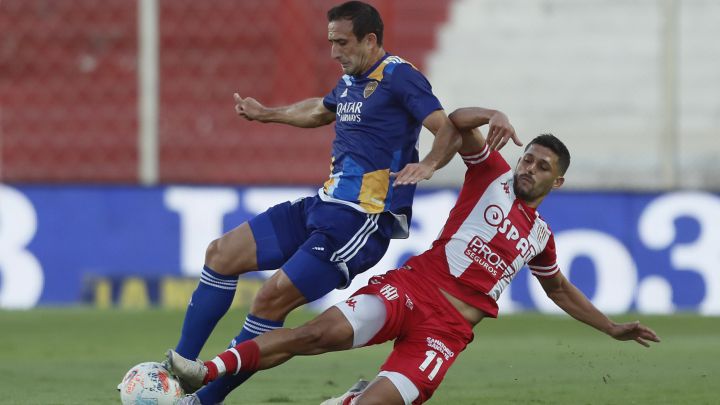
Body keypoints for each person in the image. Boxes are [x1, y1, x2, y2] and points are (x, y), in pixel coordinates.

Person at [166, 107, 660, 404]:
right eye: (527, 158)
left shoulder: (540, 237)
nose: (529, 168)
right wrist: (492, 115)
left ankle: (354, 397)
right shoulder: (491, 175)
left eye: (542, 166)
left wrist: (610, 327)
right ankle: (204, 373)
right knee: (313, 336)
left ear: (558, 181)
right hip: (412, 289)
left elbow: (560, 289)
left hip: (447, 332)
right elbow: (455, 122)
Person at [169, 2, 484, 403]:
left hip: (361, 220)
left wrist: (429, 164)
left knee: (270, 299)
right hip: (322, 204)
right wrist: (268, 114)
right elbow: (322, 109)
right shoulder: (351, 78)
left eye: (342, 43)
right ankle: (177, 370)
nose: (334, 52)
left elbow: (448, 128)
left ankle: (203, 400)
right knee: (221, 253)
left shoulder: (399, 76)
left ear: (370, 40)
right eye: (331, 42)